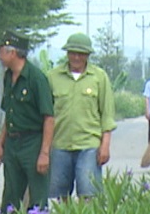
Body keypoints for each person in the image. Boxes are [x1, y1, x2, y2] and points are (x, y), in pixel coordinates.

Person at [46, 33, 115, 200]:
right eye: (72, 52)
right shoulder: (52, 77)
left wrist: (105, 145)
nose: (76, 57)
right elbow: (46, 115)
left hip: (89, 146)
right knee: (58, 196)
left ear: (88, 55)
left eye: (81, 53)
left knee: (89, 193)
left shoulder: (99, 77)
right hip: (59, 145)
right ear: (67, 53)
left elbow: (107, 115)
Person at [0, 33, 53, 214]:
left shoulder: (36, 79)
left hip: (33, 142)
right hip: (12, 143)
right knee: (10, 195)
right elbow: (9, 115)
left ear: (12, 53)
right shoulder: (8, 77)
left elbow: (49, 118)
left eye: (1, 52)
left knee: (37, 196)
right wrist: (0, 145)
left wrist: (44, 153)